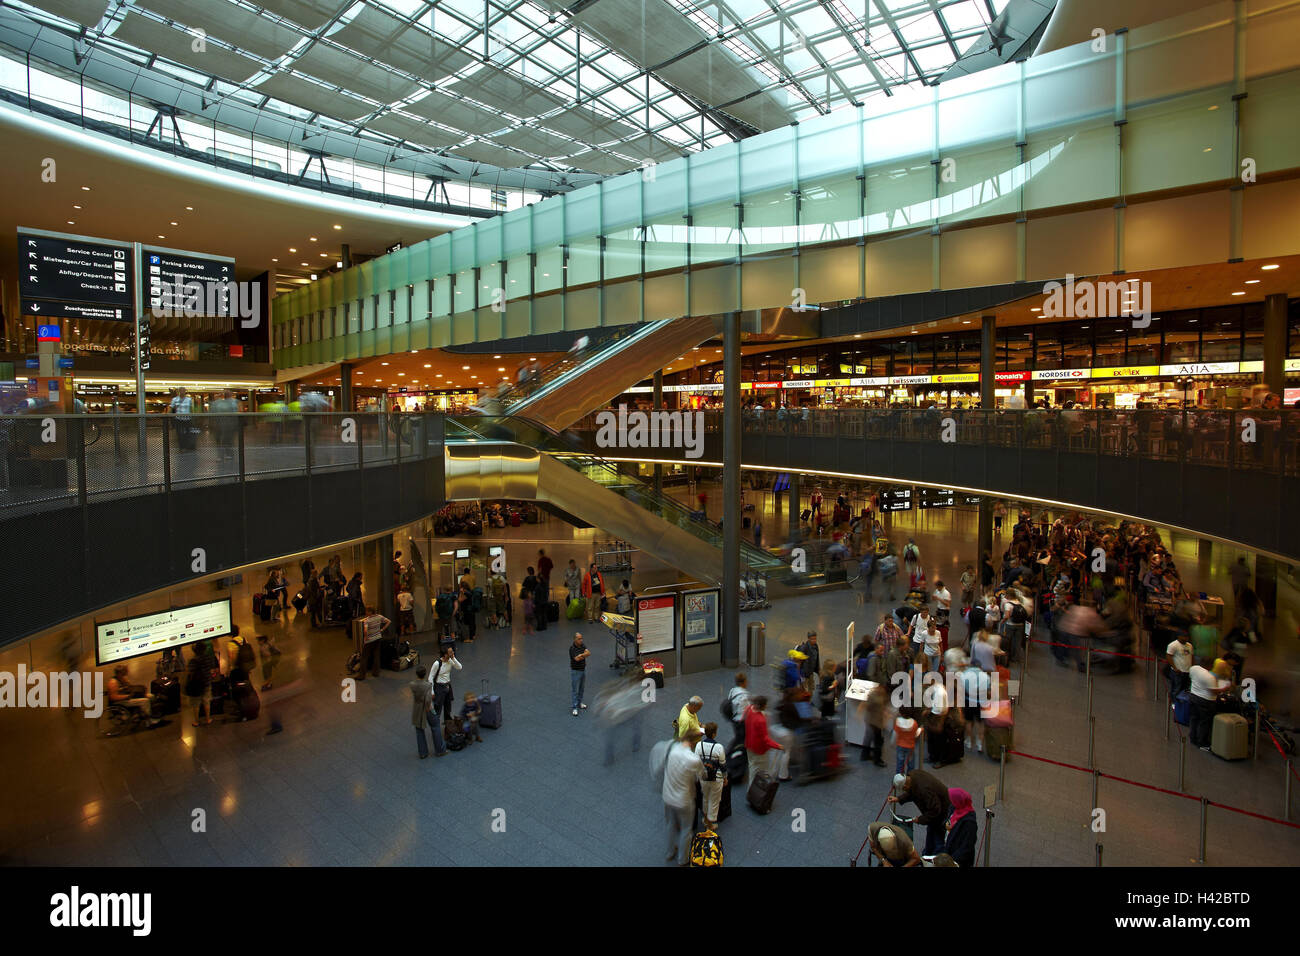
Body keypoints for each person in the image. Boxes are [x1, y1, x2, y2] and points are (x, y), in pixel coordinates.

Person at [663, 729, 707, 866]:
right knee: (686, 829)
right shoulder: (693, 759)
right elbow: (702, 776)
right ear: (694, 743)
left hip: (667, 796)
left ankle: (670, 852)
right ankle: (683, 859)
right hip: (684, 800)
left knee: (670, 824)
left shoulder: (673, 749)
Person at [889, 769, 951, 856]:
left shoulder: (923, 790)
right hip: (937, 807)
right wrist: (899, 799)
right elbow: (912, 792)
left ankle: (935, 859)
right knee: (931, 831)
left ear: (905, 786)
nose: (905, 790)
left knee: (938, 838)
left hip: (942, 813)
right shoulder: (913, 776)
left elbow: (935, 810)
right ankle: (927, 854)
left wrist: (920, 819)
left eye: (904, 789)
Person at [1188, 657, 1232, 750]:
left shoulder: (1193, 668)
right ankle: (1202, 742)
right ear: (1210, 666)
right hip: (1206, 701)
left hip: (1193, 697)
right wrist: (1225, 688)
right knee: (1204, 722)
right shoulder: (1209, 677)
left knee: (1194, 718)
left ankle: (1192, 738)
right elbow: (1214, 692)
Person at [694, 722, 728, 829]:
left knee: (705, 797)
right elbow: (722, 765)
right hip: (716, 778)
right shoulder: (719, 747)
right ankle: (710, 824)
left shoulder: (699, 745)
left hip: (703, 776)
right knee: (714, 800)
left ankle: (705, 819)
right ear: (714, 734)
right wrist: (725, 778)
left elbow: (696, 762)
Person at [743, 695, 783, 784]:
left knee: (752, 766)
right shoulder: (761, 720)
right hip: (759, 749)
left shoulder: (749, 708)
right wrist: (778, 746)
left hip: (749, 744)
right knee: (759, 769)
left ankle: (751, 788)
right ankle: (753, 790)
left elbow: (743, 718)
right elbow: (765, 739)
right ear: (763, 705)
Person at [410, 666, 447, 759]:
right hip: (428, 709)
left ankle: (423, 752)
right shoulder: (427, 686)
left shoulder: (412, 684)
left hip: (417, 708)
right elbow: (428, 700)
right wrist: (428, 708)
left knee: (419, 730)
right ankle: (440, 749)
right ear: (425, 674)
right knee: (435, 726)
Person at [184, 639, 219, 727]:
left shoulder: (193, 660)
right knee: (206, 701)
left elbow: (189, 672)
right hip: (206, 682)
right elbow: (212, 668)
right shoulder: (208, 657)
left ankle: (197, 721)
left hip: (195, 685)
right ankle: (208, 719)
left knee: (196, 704)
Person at [943, 787, 978, 867]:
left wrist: (951, 861)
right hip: (949, 849)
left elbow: (967, 847)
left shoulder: (970, 823)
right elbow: (947, 819)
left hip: (960, 861)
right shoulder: (954, 807)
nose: (950, 801)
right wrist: (946, 824)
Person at [430, 644, 461, 727]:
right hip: (440, 687)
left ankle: (448, 725)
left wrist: (453, 657)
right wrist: (432, 691)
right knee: (438, 707)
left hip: (448, 686)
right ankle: (435, 724)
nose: (452, 652)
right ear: (445, 654)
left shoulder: (450, 661)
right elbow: (430, 677)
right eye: (450, 652)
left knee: (448, 706)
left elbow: (459, 667)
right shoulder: (437, 663)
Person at [725, 673, 750, 752]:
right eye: (746, 681)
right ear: (743, 682)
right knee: (741, 739)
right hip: (741, 721)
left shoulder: (733, 690)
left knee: (738, 737)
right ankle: (730, 753)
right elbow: (746, 710)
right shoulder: (744, 695)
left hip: (734, 718)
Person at [1165, 632, 1194, 699]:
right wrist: (1175, 668)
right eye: (1184, 636)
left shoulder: (1190, 645)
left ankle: (1180, 704)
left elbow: (1192, 656)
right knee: (1176, 689)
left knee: (1185, 689)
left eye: (1187, 637)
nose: (1186, 638)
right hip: (1178, 672)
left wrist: (1192, 667)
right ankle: (1174, 703)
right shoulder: (1173, 645)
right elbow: (1169, 656)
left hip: (1187, 671)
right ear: (1179, 636)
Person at [569, 633, 590, 716]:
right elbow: (577, 659)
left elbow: (588, 653)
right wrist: (583, 655)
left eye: (581, 638)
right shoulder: (572, 649)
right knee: (575, 690)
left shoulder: (583, 645)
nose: (581, 640)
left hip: (583, 670)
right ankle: (574, 707)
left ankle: (579, 703)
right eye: (579, 639)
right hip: (575, 671)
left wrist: (582, 655)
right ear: (575, 639)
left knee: (581, 688)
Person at [892, 710, 918, 775]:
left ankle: (899, 778)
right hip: (910, 747)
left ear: (901, 713)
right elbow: (916, 734)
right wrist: (920, 730)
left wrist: (892, 743)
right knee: (911, 763)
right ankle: (910, 777)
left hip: (900, 746)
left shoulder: (898, 722)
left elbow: (894, 734)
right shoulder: (914, 723)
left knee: (900, 763)